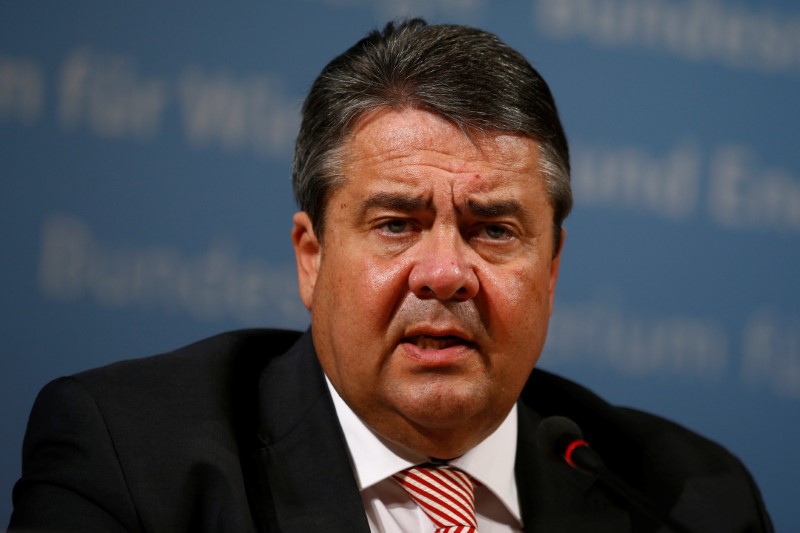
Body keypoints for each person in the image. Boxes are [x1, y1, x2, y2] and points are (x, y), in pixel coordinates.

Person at [9, 18, 772, 533]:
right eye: (396, 224)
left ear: (553, 268)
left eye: (494, 230)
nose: (444, 273)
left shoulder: (690, 499)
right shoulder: (133, 461)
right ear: (311, 257)